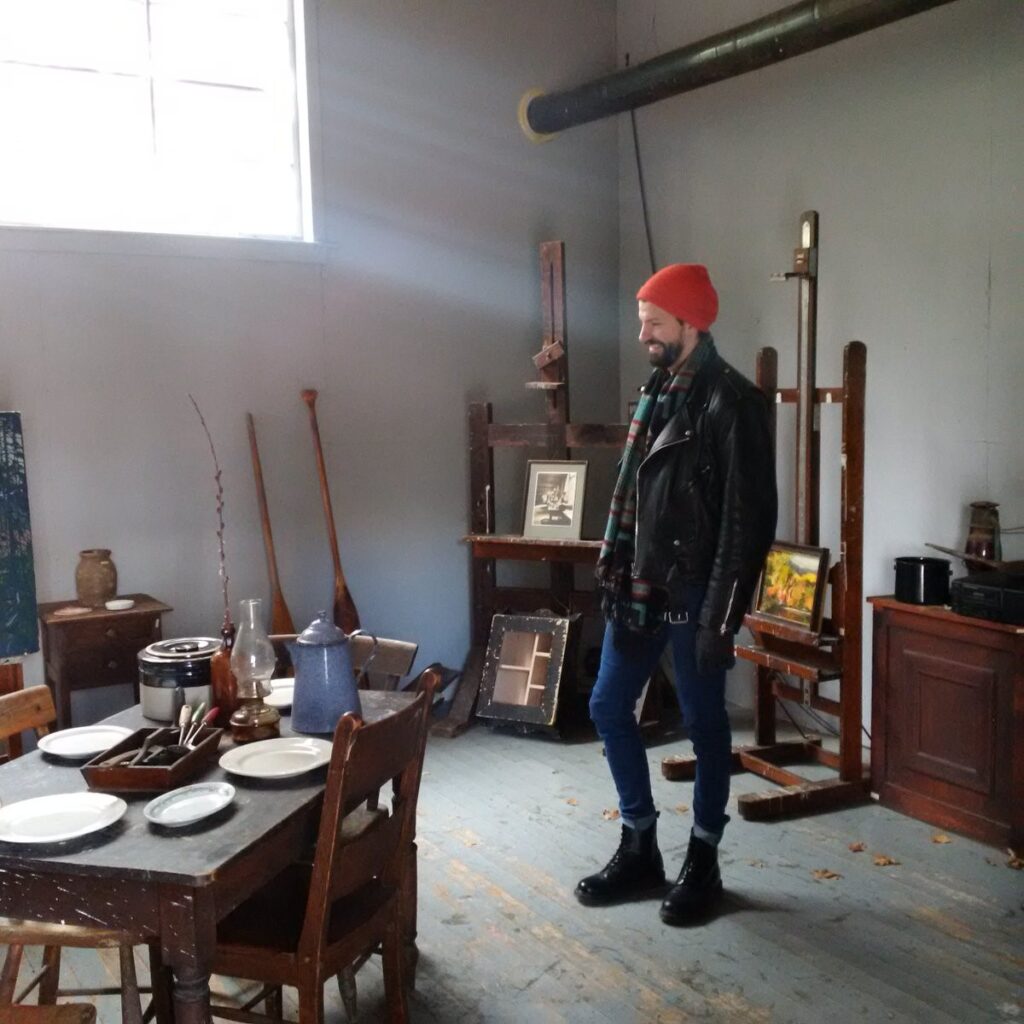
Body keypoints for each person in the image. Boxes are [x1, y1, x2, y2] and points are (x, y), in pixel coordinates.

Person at [575, 263, 777, 925]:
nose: (644, 335)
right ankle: (641, 846)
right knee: (607, 704)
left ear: (691, 323)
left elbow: (748, 523)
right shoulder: (658, 390)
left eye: (654, 323)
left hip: (695, 589)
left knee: (704, 724)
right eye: (642, 323)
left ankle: (704, 857)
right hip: (642, 583)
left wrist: (721, 617)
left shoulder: (733, 401)